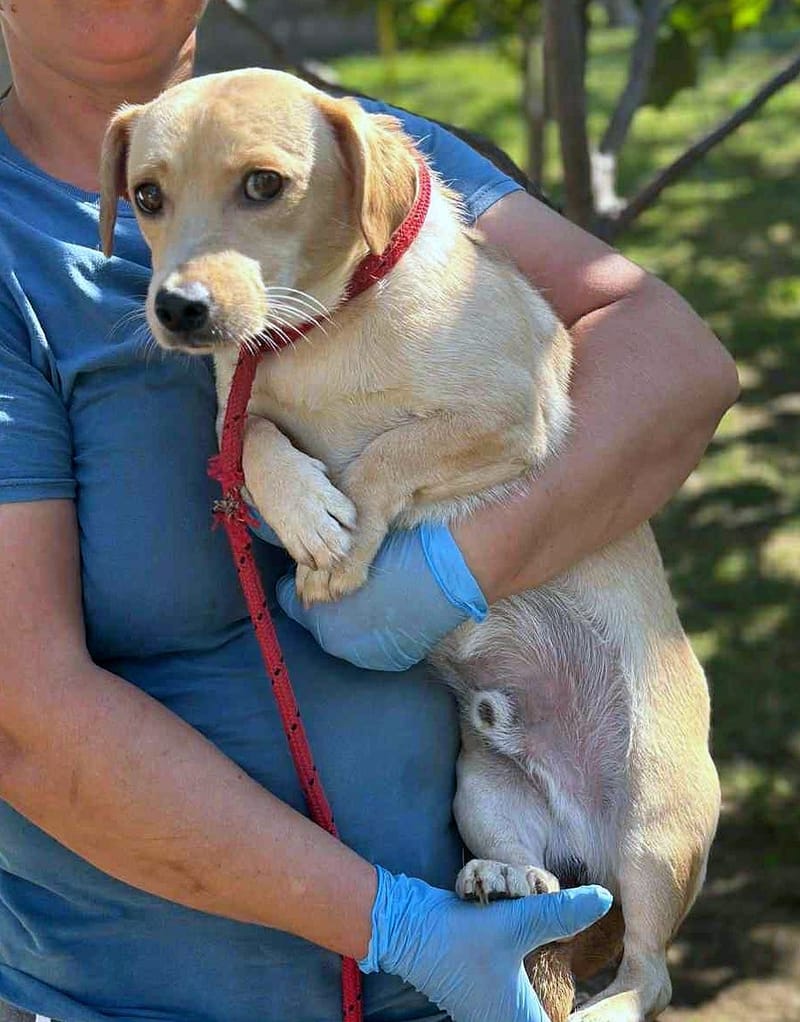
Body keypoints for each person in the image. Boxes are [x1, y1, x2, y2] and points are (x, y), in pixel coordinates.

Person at [0, 3, 739, 1021]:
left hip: (481, 967)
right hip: (146, 996)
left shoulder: (365, 146)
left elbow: (677, 361)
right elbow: (22, 718)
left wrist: (453, 568)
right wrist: (396, 926)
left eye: (265, 189)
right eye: (152, 202)